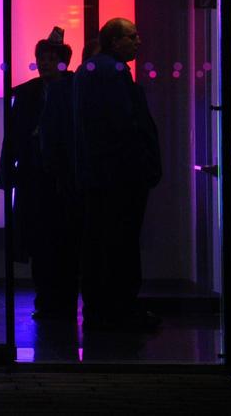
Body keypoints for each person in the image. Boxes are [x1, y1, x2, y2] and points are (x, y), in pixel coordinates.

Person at [73, 18, 162, 331]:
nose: (138, 41)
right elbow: (125, 125)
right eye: (131, 36)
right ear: (114, 41)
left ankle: (99, 308)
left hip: (95, 176)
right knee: (122, 243)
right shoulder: (116, 72)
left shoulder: (86, 71)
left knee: (98, 243)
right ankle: (122, 308)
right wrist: (144, 163)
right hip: (121, 177)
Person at [0, 26, 79, 320]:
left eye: (50, 58)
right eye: (41, 58)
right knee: (42, 241)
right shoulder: (33, 93)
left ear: (63, 62)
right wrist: (9, 171)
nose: (44, 63)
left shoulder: (65, 91)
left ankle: (60, 301)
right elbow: (12, 136)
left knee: (62, 241)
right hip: (37, 176)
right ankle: (47, 300)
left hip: (61, 178)